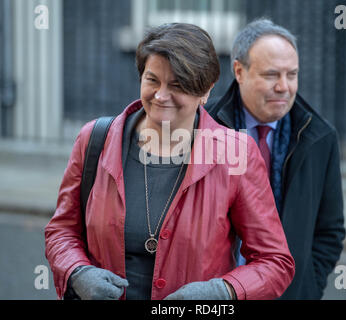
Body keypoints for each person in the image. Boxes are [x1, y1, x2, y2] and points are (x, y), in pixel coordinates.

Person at [45, 22, 295, 300]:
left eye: (177, 85)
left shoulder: (237, 153)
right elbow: (62, 231)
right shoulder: (95, 140)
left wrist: (222, 292)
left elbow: (274, 262)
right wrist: (78, 272)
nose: (161, 96)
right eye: (153, 80)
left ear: (206, 91)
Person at [206, 18, 346, 299]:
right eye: (271, 75)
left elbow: (329, 230)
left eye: (291, 75)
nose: (284, 87)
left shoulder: (320, 137)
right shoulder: (204, 128)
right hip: (218, 293)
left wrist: (308, 285)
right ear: (239, 71)